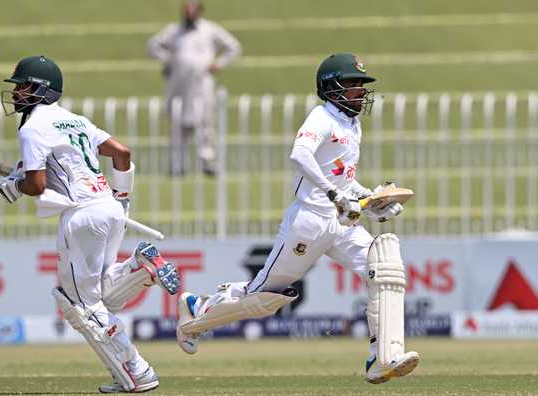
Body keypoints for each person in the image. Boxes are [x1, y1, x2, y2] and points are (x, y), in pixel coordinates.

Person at [175, 53, 420, 384]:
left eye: (361, 86)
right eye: (352, 85)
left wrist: (374, 201)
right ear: (331, 89)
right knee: (264, 298)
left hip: (342, 225)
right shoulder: (321, 117)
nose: (360, 93)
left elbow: (345, 183)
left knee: (385, 267)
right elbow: (300, 154)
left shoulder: (352, 124)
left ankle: (382, 357)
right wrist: (334, 196)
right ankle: (197, 311)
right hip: (310, 221)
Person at [0, 55, 181, 393]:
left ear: (41, 89)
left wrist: (14, 186)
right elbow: (123, 153)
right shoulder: (75, 120)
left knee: (79, 305)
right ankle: (140, 271)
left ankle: (138, 372)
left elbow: (37, 186)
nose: (17, 93)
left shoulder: (33, 127)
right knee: (101, 297)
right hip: (110, 208)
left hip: (81, 216)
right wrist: (121, 199)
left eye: (23, 86)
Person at [146, 0, 241, 176]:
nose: (189, 13)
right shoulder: (175, 30)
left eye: (193, 9)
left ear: (199, 11)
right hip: (179, 82)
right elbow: (152, 45)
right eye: (186, 9)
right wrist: (169, 60)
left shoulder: (210, 29)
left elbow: (233, 47)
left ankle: (207, 161)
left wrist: (218, 64)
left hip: (202, 81)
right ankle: (177, 165)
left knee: (205, 120)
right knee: (177, 121)